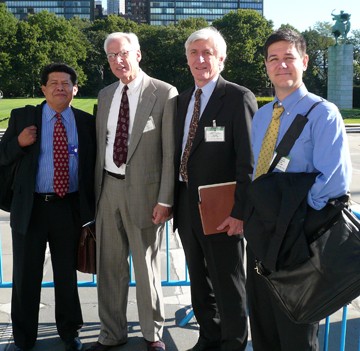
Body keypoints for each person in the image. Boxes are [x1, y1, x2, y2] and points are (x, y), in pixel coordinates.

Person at [245, 28, 352, 350]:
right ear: (266, 65)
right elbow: (255, 172)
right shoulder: (262, 116)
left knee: (297, 331)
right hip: (262, 236)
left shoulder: (324, 114)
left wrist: (291, 215)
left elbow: (333, 182)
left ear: (304, 61)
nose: (281, 65)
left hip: (296, 240)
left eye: (289, 58)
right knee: (263, 325)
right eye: (273, 59)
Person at [88, 32, 177, 351]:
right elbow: (102, 144)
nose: (117, 61)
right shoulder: (106, 95)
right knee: (109, 267)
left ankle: (152, 335)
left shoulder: (164, 93)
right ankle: (111, 333)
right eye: (111, 56)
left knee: (146, 268)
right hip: (108, 188)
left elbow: (170, 153)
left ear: (138, 54)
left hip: (147, 195)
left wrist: (165, 199)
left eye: (123, 53)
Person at [0, 63, 96, 351]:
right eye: (53, 83)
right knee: (26, 276)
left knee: (67, 275)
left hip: (68, 208)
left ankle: (69, 332)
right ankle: (24, 337)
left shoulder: (85, 122)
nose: (59, 88)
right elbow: (3, 155)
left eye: (66, 83)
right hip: (31, 208)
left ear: (75, 89)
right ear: (43, 88)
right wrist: (18, 141)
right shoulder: (23, 117)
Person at [173, 27, 257, 351]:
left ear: (221, 58)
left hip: (223, 209)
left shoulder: (237, 97)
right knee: (199, 280)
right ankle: (208, 338)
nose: (200, 59)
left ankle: (233, 343)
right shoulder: (181, 101)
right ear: (187, 60)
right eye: (194, 53)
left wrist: (240, 212)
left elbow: (248, 162)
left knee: (228, 282)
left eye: (208, 52)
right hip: (185, 205)